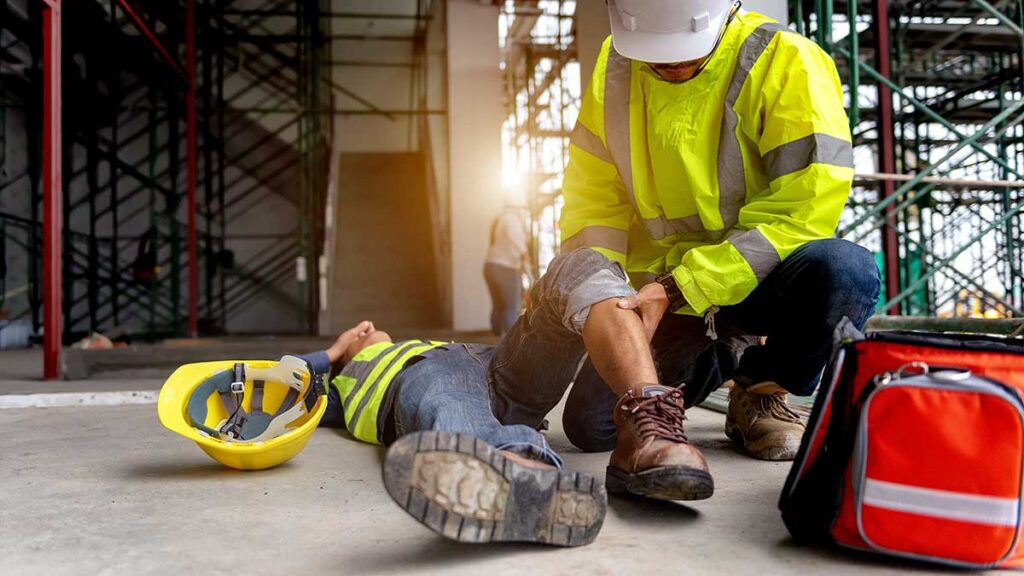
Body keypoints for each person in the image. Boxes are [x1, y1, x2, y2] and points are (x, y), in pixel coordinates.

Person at [557, 0, 881, 461]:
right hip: (664, 295)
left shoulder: (785, 60)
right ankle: (727, 352)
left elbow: (803, 209)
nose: (669, 66)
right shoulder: (615, 68)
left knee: (846, 272)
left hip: (756, 281)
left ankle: (763, 387)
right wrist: (606, 296)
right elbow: (594, 199)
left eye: (685, 57)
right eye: (656, 57)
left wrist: (685, 285)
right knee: (593, 425)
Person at [303, 248, 718, 546]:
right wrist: (330, 355)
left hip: (498, 373)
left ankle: (651, 419)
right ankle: (517, 468)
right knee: (443, 392)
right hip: (428, 384)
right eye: (356, 333)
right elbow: (264, 386)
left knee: (577, 263)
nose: (367, 328)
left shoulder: (416, 344)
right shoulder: (339, 387)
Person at [483, 206, 532, 335]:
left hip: (490, 266)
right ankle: (512, 344)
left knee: (498, 307)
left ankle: (494, 341)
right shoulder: (511, 218)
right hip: (505, 268)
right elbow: (515, 237)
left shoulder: (500, 219)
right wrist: (524, 253)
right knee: (511, 308)